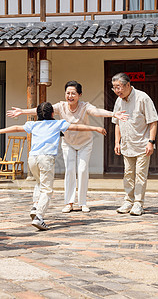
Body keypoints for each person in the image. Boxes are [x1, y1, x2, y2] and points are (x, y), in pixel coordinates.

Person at [7, 81, 127, 214]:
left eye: (73, 93)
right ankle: (69, 203)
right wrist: (22, 111)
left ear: (79, 95)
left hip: (85, 143)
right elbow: (42, 109)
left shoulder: (85, 106)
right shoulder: (60, 106)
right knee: (70, 170)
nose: (70, 96)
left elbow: (97, 111)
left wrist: (113, 114)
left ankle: (82, 203)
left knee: (82, 170)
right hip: (68, 143)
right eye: (68, 93)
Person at [0, 102, 106, 230]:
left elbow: (17, 128)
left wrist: (0, 131)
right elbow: (77, 127)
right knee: (47, 189)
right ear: (52, 113)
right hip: (46, 158)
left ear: (37, 114)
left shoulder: (33, 124)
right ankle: (39, 216)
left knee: (40, 183)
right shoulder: (57, 123)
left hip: (32, 158)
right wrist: (95, 128)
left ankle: (35, 206)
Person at [111, 72, 158, 216]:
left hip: (143, 145)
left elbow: (153, 121)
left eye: (119, 87)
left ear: (128, 85)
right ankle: (128, 201)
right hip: (127, 145)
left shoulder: (143, 98)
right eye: (114, 88)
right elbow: (117, 123)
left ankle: (138, 203)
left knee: (140, 175)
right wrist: (117, 142)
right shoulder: (119, 101)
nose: (117, 91)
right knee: (128, 174)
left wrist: (151, 142)